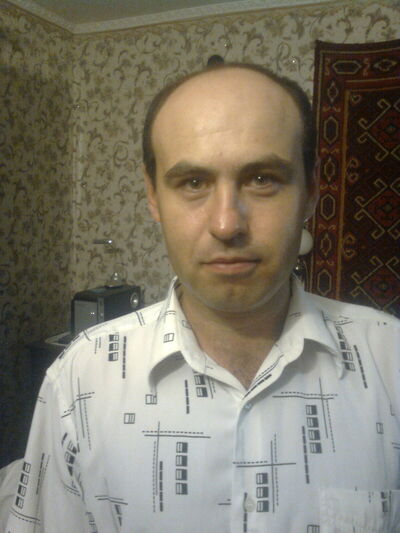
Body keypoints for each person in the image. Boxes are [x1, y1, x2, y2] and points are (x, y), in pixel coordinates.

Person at [5, 63, 400, 533]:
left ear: (311, 191)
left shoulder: (390, 360)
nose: (227, 224)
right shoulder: (80, 376)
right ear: (153, 195)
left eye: (262, 179)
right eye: (193, 183)